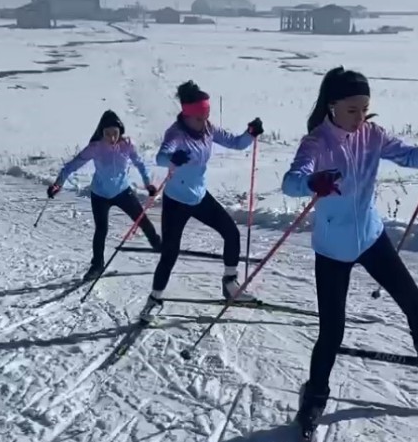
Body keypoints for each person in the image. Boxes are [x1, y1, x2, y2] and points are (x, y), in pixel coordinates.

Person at [281, 66, 418, 427]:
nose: (359, 117)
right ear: (331, 105)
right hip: (333, 248)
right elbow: (291, 183)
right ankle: (315, 395)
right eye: (352, 110)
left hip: (371, 236)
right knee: (331, 331)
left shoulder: (372, 134)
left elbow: (408, 156)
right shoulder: (316, 143)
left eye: (364, 109)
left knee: (413, 301)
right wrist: (313, 181)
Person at [141, 81, 263, 317]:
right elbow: (161, 156)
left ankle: (230, 284)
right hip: (176, 201)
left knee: (231, 232)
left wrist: (249, 134)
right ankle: (155, 298)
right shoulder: (175, 133)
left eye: (206, 116)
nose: (203, 122)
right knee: (170, 253)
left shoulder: (208, 129)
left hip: (198, 196)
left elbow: (236, 143)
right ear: (187, 116)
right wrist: (173, 158)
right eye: (199, 117)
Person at [48, 110, 162, 281]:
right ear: (102, 132)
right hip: (100, 194)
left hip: (123, 191)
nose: (112, 137)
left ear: (120, 131)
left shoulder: (128, 145)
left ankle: (158, 245)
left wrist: (148, 184)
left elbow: (140, 164)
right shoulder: (95, 147)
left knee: (142, 220)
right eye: (107, 134)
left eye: (115, 133)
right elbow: (73, 165)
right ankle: (97, 265)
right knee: (101, 230)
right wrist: (58, 183)